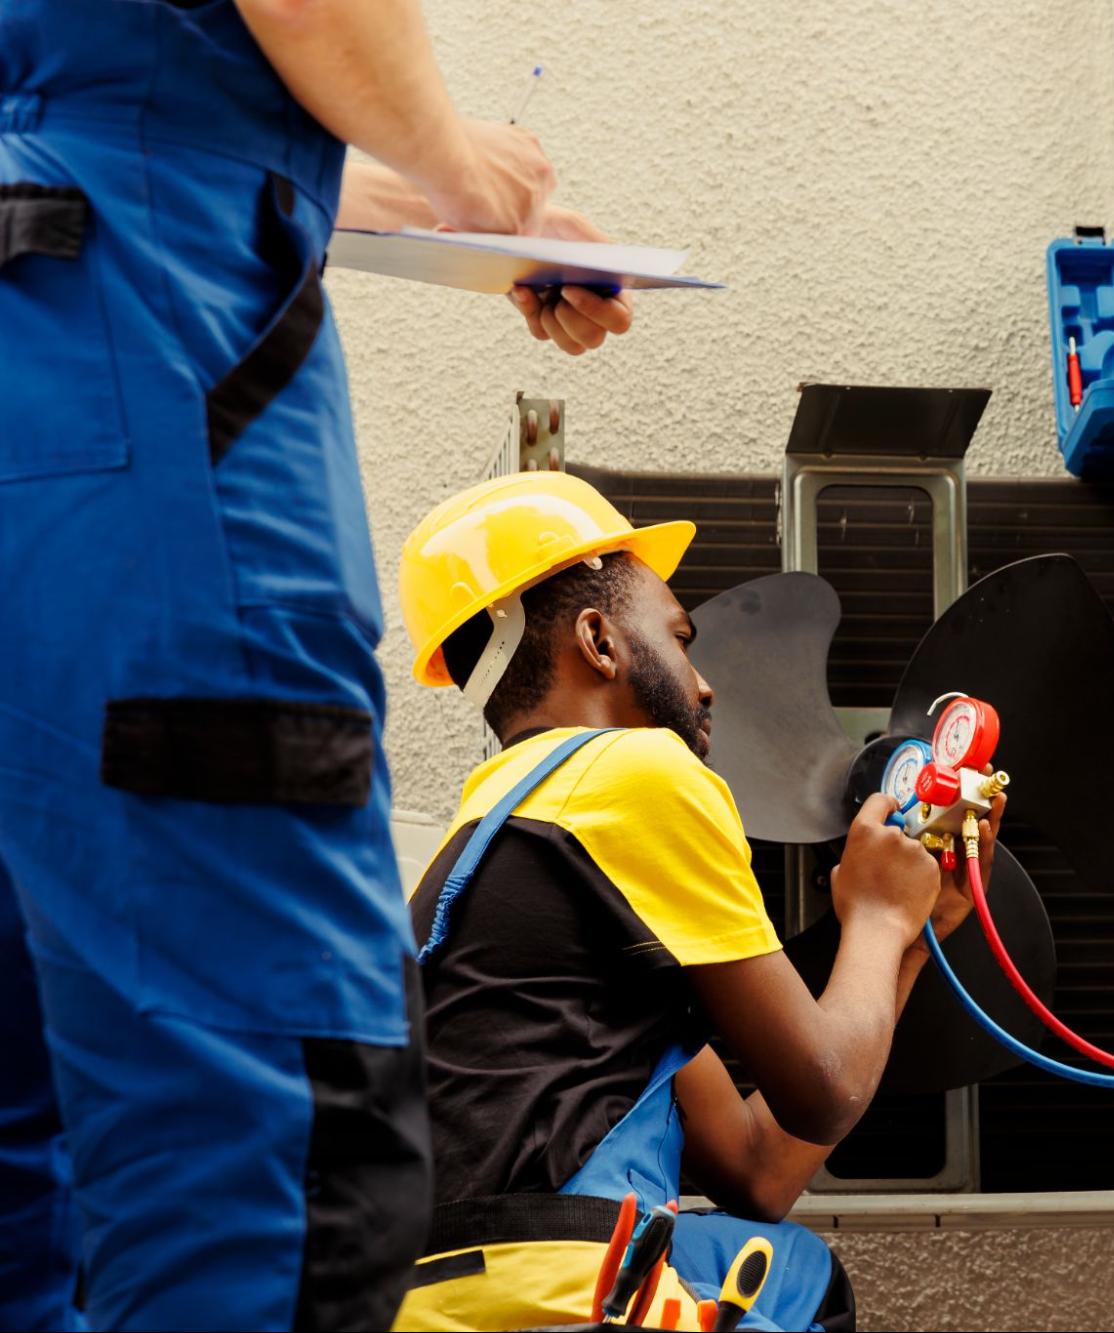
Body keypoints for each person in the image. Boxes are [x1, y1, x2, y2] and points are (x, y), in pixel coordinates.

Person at [0, 2, 629, 1326]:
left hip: (48, 345)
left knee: (24, 1140)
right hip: (149, 397)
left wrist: (442, 202)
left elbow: (123, 99)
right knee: (273, 1153)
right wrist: (455, 159)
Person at [391, 473, 996, 1331]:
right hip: (559, 1289)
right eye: (679, 638)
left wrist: (914, 930)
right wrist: (876, 912)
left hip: (429, 1300)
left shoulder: (487, 845)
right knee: (796, 1285)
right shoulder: (634, 772)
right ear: (599, 640)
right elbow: (825, 1089)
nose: (704, 684)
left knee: (791, 1270)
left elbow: (758, 1169)